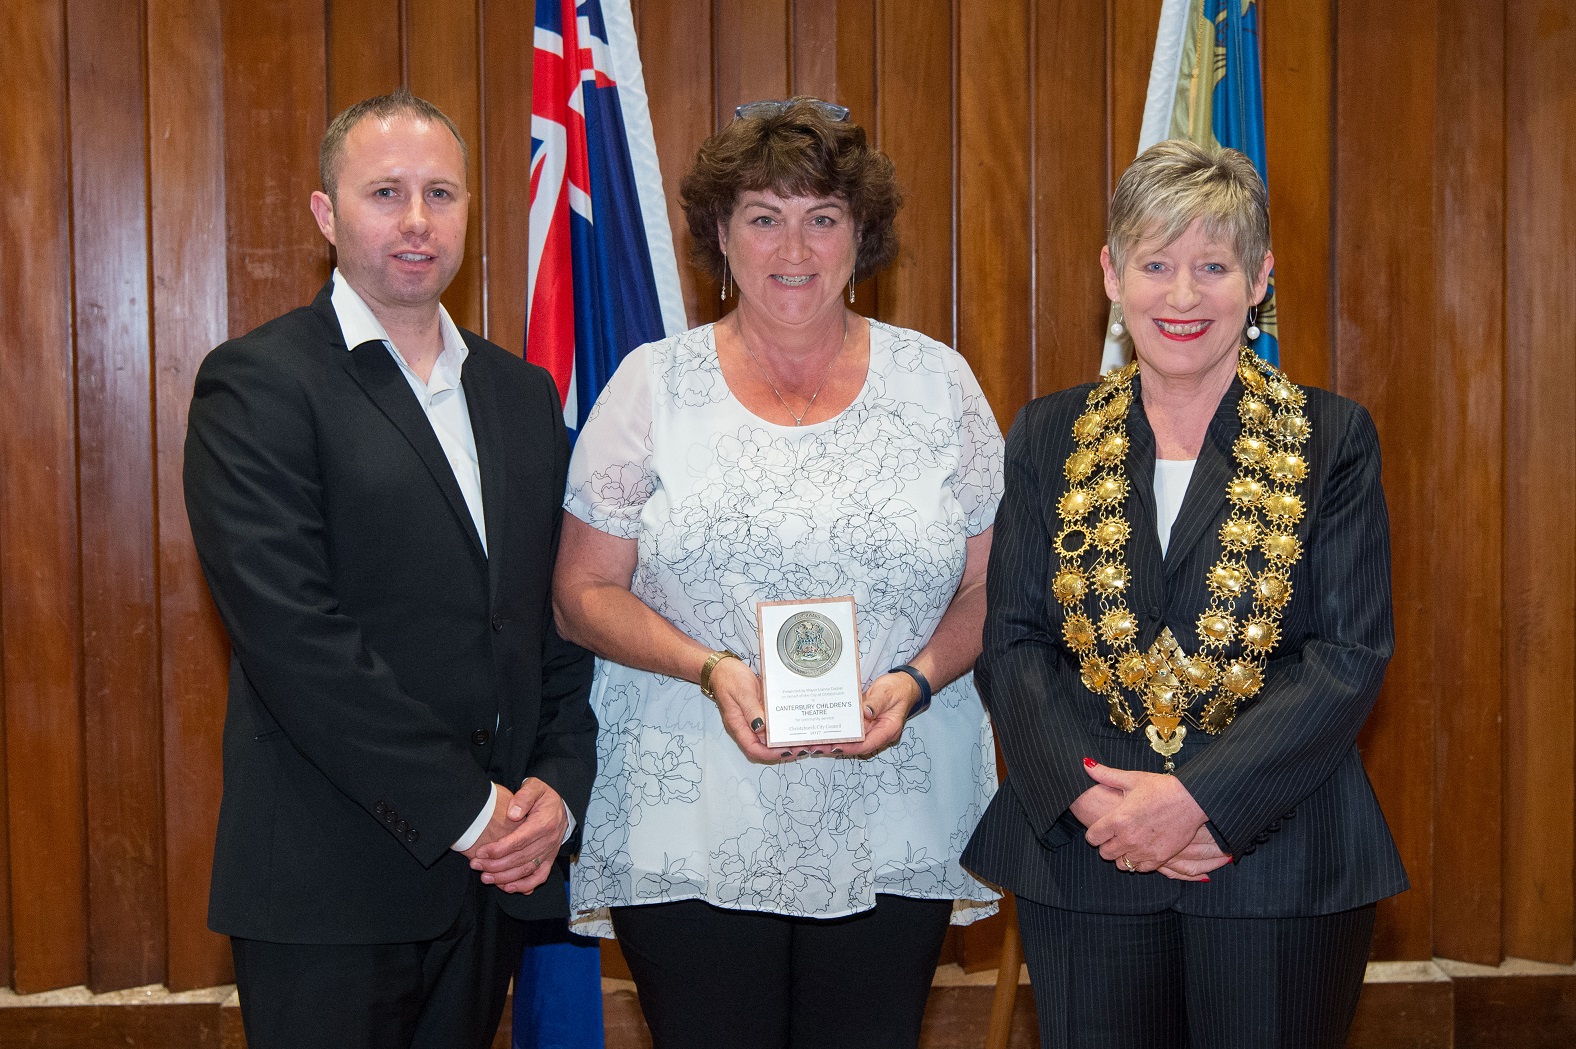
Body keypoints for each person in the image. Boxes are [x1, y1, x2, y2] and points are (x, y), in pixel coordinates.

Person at [552, 97, 1004, 1049]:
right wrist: (710, 668)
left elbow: (991, 589)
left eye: (822, 217)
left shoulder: (939, 385)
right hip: (690, 801)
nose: (792, 246)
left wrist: (914, 681)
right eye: (763, 216)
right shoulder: (649, 386)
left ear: (860, 235)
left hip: (896, 790)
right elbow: (581, 594)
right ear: (721, 235)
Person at [963, 140, 1408, 1049]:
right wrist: (1103, 806)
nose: (1180, 295)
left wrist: (1198, 799)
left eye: (1213, 266)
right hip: (1090, 851)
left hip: (1276, 852)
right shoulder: (1049, 433)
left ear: (1259, 280)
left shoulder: (1334, 438)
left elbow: (1347, 653)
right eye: (1155, 263)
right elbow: (1013, 640)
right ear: (1111, 273)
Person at [183, 90, 596, 1049]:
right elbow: (295, 638)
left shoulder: (522, 394)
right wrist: (469, 809)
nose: (417, 220)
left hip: (493, 881)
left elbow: (553, 617)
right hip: (327, 884)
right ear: (327, 215)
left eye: (440, 193)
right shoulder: (258, 384)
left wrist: (557, 786)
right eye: (385, 193)